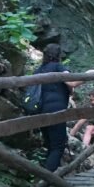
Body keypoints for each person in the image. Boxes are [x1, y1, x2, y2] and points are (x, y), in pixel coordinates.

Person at [36, 44, 83, 172]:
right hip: (56, 111)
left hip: (39, 110)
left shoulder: (39, 69)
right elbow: (71, 82)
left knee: (50, 145)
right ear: (58, 55)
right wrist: (89, 74)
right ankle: (46, 180)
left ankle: (46, 177)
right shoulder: (58, 67)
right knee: (58, 146)